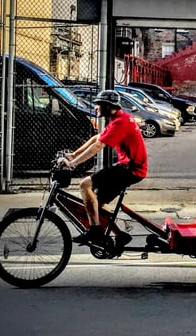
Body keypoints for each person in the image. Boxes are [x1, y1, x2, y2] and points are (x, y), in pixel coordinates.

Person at [59, 90, 147, 253]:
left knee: (85, 185)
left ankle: (95, 231)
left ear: (108, 106)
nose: (96, 107)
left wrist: (73, 164)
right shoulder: (117, 119)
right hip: (129, 168)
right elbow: (96, 139)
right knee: (96, 205)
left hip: (130, 169)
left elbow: (98, 146)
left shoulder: (121, 122)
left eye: (98, 104)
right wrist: (73, 155)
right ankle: (120, 235)